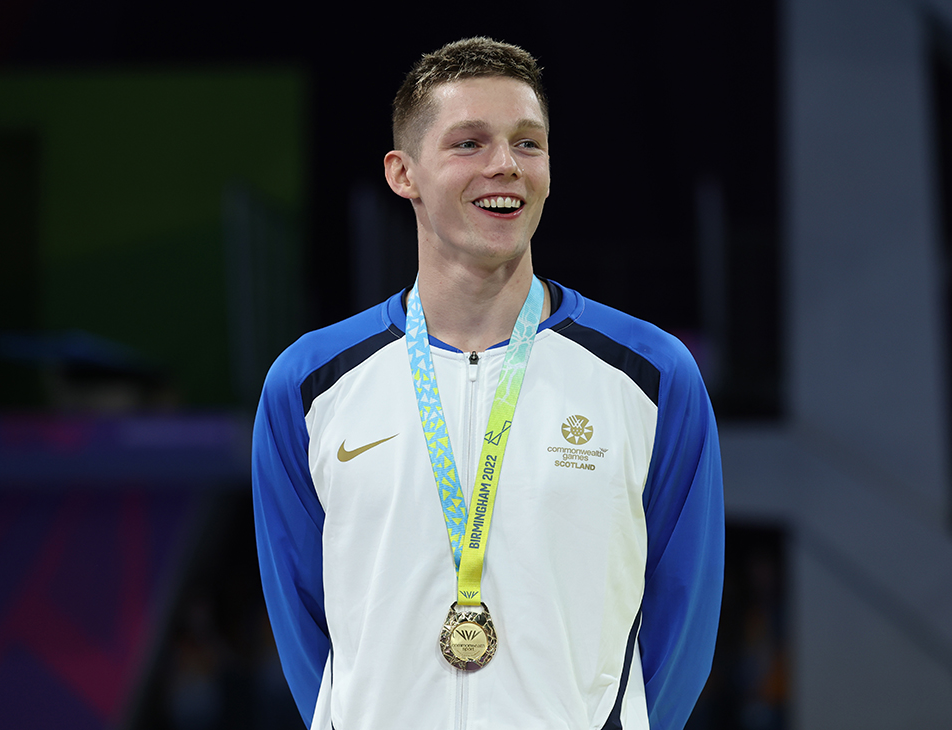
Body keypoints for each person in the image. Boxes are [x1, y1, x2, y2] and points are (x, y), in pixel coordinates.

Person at [252, 37, 724, 730]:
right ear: (403, 173)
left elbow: (686, 615)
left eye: (528, 144)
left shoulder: (649, 374)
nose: (505, 165)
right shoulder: (310, 383)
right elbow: (301, 624)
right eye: (469, 143)